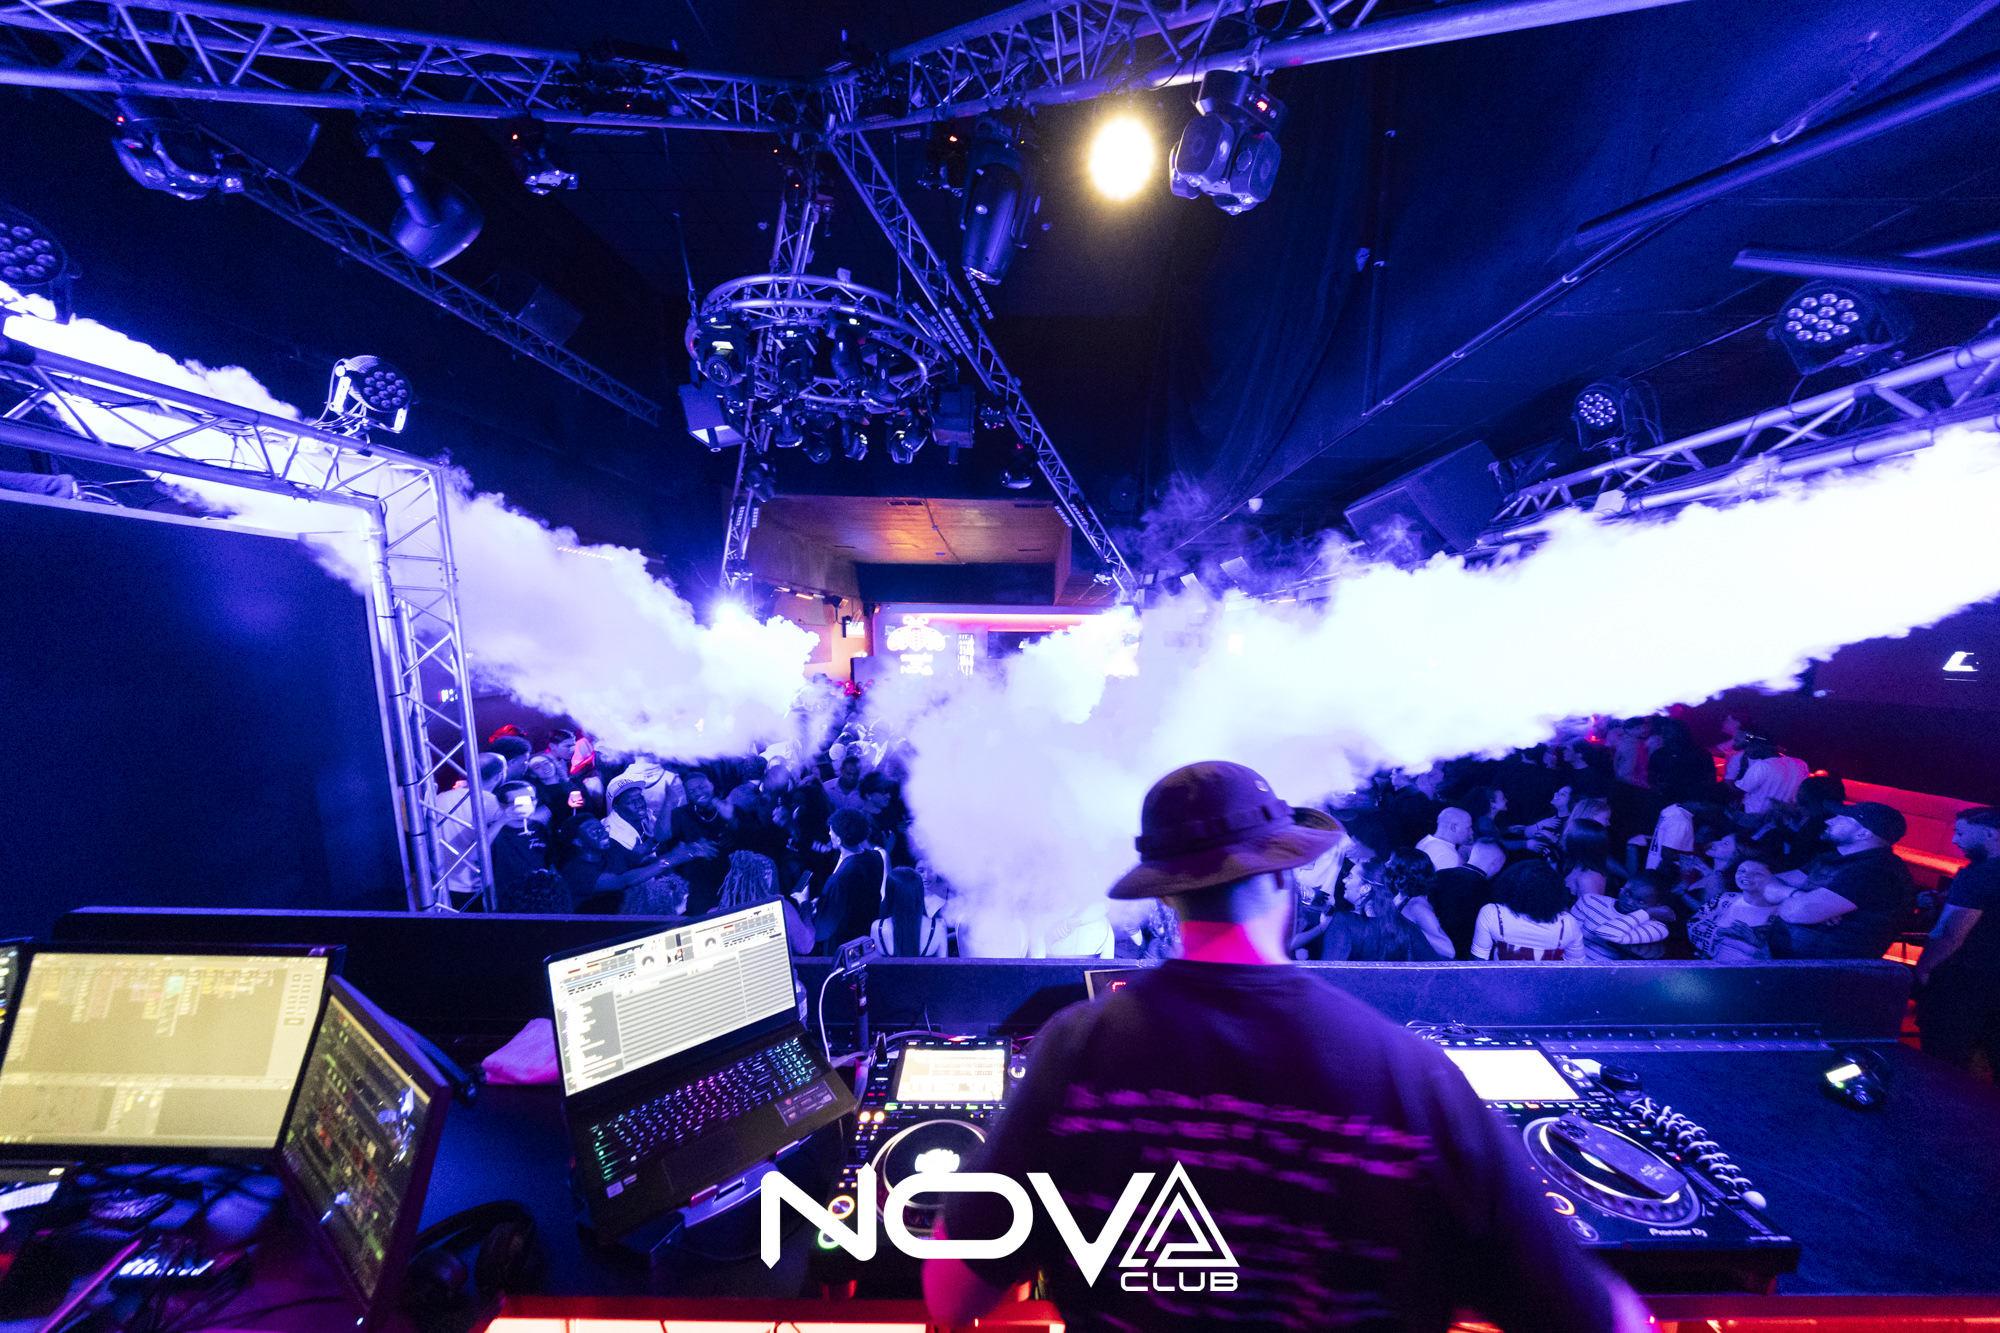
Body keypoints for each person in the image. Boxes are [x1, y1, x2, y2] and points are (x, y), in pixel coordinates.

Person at [924, 760, 1645, 1332]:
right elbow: (1595, 1319)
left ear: (1166, 896)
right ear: (1283, 874)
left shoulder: (1076, 1050)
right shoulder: (1410, 1074)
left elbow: (951, 1294)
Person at [1769, 802, 1916, 959]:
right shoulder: (1836, 859)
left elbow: (1794, 913)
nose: (1829, 820)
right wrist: (1797, 895)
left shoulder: (1877, 872)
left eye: (1843, 818)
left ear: (1862, 834)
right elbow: (1763, 883)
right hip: (1791, 961)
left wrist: (1789, 897)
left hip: (1823, 969)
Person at [1915, 807, 2000, 1072]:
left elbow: (1951, 934)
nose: (1954, 840)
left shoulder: (1980, 874)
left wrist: (1924, 968)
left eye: (1961, 833)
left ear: (1990, 833)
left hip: (1965, 980)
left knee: (1943, 1061)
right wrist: (1943, 898)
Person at [1470, 860, 1583, 961]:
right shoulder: (1567, 923)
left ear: (1509, 886)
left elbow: (1479, 959)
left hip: (1500, 978)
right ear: (1555, 891)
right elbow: (1577, 967)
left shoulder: (1492, 913)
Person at [1688, 857, 1793, 962]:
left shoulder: (1781, 913)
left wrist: (1756, 941)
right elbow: (1693, 923)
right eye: (1742, 871)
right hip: (1714, 968)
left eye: (1757, 873)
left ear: (1772, 879)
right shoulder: (1724, 899)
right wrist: (1721, 931)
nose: (1746, 875)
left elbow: (1787, 959)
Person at [813, 807, 886, 953]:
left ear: (839, 839)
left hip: (842, 947)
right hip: (865, 939)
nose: (829, 833)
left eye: (831, 831)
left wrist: (806, 905)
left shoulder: (841, 878)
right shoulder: (876, 858)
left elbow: (824, 929)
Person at [664, 771, 734, 917]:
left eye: (702, 787)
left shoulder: (731, 809)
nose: (698, 793)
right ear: (687, 795)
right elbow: (666, 846)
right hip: (698, 888)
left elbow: (753, 841)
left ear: (712, 785)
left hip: (732, 884)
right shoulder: (680, 815)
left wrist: (733, 820)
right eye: (692, 791)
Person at [1571, 868, 1676, 960]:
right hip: (1571, 964)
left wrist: (1648, 913)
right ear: (1623, 886)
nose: (1629, 902)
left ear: (1657, 905)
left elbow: (1607, 933)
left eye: (1641, 901)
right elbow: (1569, 939)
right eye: (1627, 893)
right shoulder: (1590, 901)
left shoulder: (1656, 927)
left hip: (1607, 973)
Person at [1430, 838, 1504, 959]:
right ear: (1495, 864)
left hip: (1436, 949)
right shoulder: (1489, 890)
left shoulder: (1439, 875)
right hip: (1466, 955)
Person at [871, 865, 947, 957]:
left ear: (890, 894)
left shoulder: (877, 927)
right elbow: (944, 964)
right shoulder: (938, 927)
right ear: (919, 892)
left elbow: (876, 964)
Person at [1416, 807, 1471, 871]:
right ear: (1453, 827)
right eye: (1468, 828)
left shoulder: (1423, 842)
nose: (1471, 832)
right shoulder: (1450, 857)